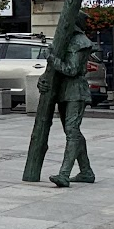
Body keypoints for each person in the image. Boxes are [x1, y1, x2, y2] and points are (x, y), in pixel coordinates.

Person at [44, 28, 96, 188]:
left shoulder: (80, 42)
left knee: (72, 131)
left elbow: (72, 69)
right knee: (72, 132)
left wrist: (52, 59)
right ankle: (86, 171)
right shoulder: (65, 39)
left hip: (76, 91)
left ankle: (64, 174)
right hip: (64, 91)